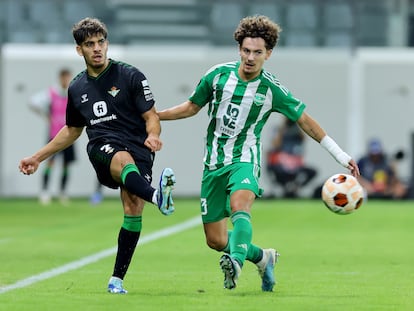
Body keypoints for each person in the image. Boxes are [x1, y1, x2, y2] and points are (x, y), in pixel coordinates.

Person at [157, 15, 359, 291]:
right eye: (246, 51)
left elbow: (305, 121)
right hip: (214, 163)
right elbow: (191, 107)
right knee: (215, 240)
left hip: (245, 158)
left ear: (269, 54)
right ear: (239, 49)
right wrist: (155, 116)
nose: (250, 57)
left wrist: (340, 155)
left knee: (241, 206)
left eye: (258, 52)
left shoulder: (271, 89)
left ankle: (236, 262)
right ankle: (263, 257)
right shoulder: (216, 76)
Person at [19, 17, 176, 294]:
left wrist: (153, 135)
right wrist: (38, 157)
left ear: (107, 43)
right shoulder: (77, 88)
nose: (97, 48)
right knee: (121, 159)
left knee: (132, 208)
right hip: (102, 145)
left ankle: (116, 279)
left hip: (139, 146)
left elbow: (151, 116)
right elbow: (71, 130)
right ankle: (157, 196)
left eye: (101, 42)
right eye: (89, 44)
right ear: (80, 50)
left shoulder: (131, 75)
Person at [29, 68, 75, 205]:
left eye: (68, 78)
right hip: (54, 135)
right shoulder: (51, 93)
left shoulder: (72, 93)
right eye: (64, 78)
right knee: (50, 163)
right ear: (60, 78)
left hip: (69, 135)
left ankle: (63, 192)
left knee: (66, 165)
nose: (66, 80)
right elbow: (33, 102)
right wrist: (46, 116)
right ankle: (44, 192)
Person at [267, 117, 317, 198]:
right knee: (276, 171)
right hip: (281, 163)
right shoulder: (279, 129)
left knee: (312, 172)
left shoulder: (297, 130)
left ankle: (295, 188)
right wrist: (283, 127)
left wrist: (298, 121)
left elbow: (303, 138)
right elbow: (276, 144)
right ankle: (286, 189)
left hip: (295, 163)